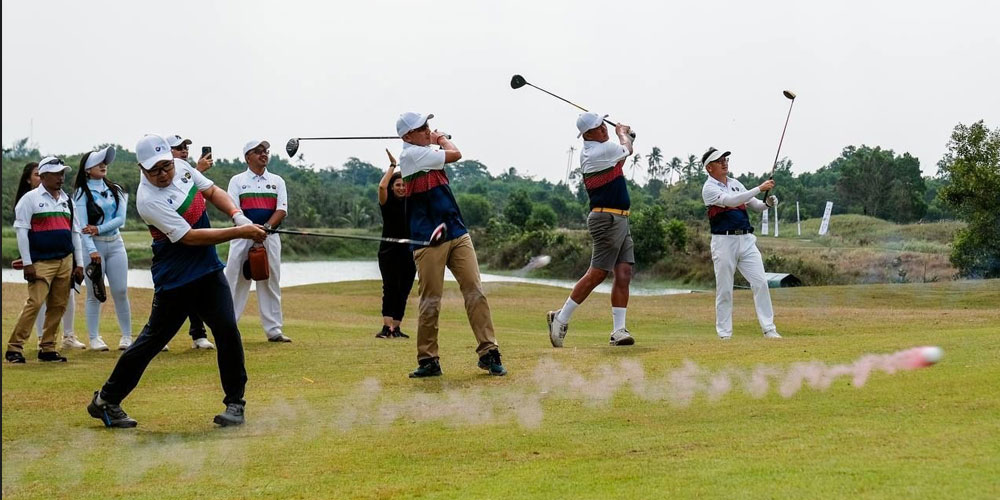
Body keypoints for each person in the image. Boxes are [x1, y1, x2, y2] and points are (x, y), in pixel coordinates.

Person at [87, 134, 265, 428]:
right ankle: (106, 400)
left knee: (227, 330)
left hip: (208, 270)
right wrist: (240, 233)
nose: (162, 174)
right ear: (142, 169)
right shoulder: (147, 200)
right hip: (176, 279)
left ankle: (235, 403)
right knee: (151, 342)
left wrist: (237, 215)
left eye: (165, 166)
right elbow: (189, 237)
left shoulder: (182, 168)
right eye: (154, 169)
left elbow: (212, 191)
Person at [396, 111, 506, 377]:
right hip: (428, 236)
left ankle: (489, 351)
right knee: (431, 299)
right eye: (421, 128)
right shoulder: (410, 155)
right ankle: (428, 359)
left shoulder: (424, 151)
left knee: (475, 291)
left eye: (428, 126)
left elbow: (447, 154)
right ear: (408, 136)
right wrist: (441, 137)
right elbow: (456, 154)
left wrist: (434, 139)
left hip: (456, 230)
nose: (427, 130)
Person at [547, 112, 637, 348]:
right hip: (605, 218)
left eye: (603, 125)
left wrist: (628, 138)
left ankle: (618, 331)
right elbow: (625, 150)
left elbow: (621, 159)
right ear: (588, 134)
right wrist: (623, 135)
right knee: (597, 273)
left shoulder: (603, 151)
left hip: (621, 219)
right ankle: (561, 317)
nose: (604, 129)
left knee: (624, 273)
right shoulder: (597, 151)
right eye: (599, 127)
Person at [5, 157, 85, 363]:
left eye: (62, 173)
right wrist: (28, 262)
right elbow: (22, 232)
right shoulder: (29, 199)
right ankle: (15, 347)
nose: (61, 178)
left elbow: (75, 233)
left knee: (59, 305)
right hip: (41, 261)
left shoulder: (67, 200)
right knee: (36, 302)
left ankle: (48, 347)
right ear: (43, 176)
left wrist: (80, 264)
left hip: (65, 259)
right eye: (57, 174)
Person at [700, 147, 781, 340]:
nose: (725, 162)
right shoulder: (709, 188)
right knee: (725, 288)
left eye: (725, 159)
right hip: (724, 241)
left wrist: (768, 203)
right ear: (710, 167)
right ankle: (724, 334)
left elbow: (756, 206)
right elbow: (730, 201)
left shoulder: (736, 183)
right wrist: (759, 188)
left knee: (760, 282)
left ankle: (769, 328)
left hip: (746, 239)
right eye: (720, 161)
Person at [224, 140, 291, 343]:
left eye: (266, 151)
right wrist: (250, 229)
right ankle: (228, 328)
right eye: (258, 151)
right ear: (248, 157)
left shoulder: (277, 181)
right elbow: (233, 209)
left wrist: (266, 228)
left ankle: (274, 330)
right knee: (235, 281)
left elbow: (282, 210)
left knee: (270, 281)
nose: (264, 154)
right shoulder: (237, 181)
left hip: (269, 237)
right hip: (242, 236)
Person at [72, 146, 134, 351]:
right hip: (93, 247)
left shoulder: (116, 189)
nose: (103, 165)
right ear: (87, 169)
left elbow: (120, 220)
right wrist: (91, 250)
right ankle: (94, 338)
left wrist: (98, 228)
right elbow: (82, 227)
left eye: (104, 162)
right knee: (94, 293)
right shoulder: (81, 192)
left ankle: (126, 336)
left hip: (115, 244)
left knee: (121, 290)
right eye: (98, 162)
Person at [168, 134, 215, 349]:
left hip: (198, 232)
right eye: (178, 148)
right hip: (175, 239)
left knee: (198, 285)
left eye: (185, 147)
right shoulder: (168, 177)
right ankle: (160, 336)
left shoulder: (189, 172)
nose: (183, 151)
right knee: (170, 290)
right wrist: (199, 169)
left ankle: (198, 334)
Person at [375, 149, 415, 339]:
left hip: (408, 251)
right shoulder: (387, 202)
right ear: (393, 187)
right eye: (398, 185)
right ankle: (386, 327)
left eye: (404, 185)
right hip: (388, 251)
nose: (401, 187)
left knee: (404, 289)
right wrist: (393, 166)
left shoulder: (412, 202)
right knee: (390, 287)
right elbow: (382, 187)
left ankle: (396, 328)